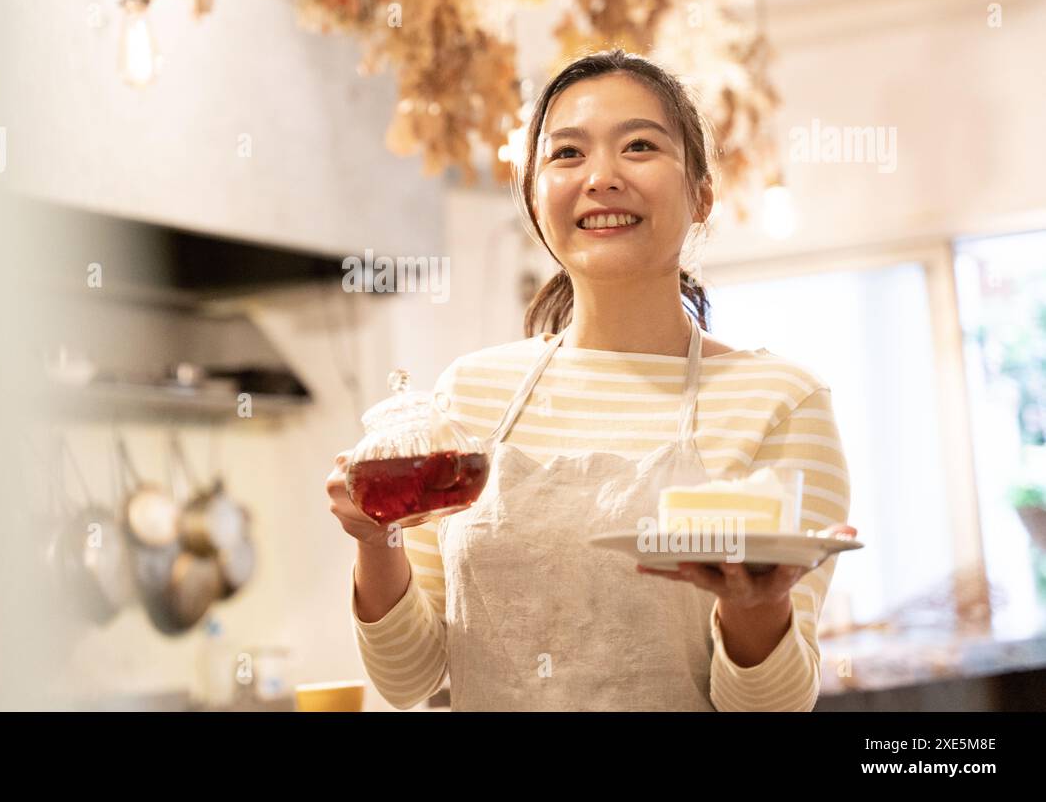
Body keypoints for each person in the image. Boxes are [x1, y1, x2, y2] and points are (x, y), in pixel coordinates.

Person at [327, 48, 857, 711]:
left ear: (701, 195)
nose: (601, 177)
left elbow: (768, 707)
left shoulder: (780, 402)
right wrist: (377, 540)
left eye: (639, 146)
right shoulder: (470, 397)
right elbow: (411, 678)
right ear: (533, 197)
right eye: (567, 153)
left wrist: (759, 602)